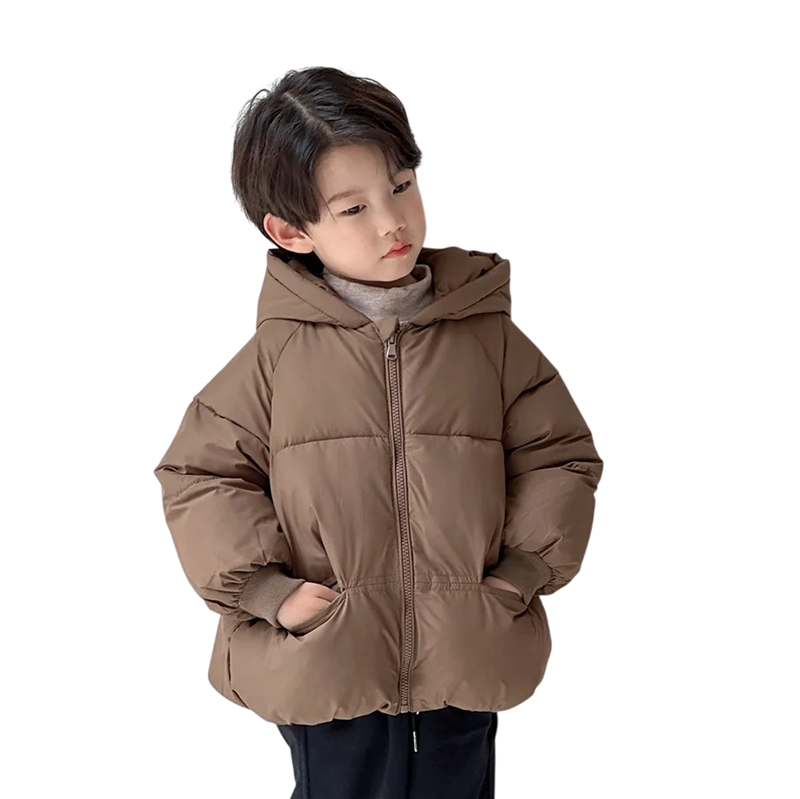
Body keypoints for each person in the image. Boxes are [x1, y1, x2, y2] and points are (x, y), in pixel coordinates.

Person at [153, 66, 604, 799]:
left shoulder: (486, 338)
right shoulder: (276, 357)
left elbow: (559, 455)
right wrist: (267, 591)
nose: (392, 220)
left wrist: (519, 574)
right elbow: (199, 474)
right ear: (291, 230)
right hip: (330, 654)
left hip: (464, 645)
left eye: (401, 186)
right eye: (354, 207)